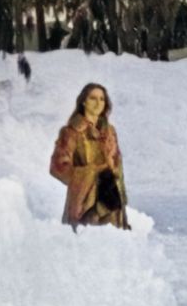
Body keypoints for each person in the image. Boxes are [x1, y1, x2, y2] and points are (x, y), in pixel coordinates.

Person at [49, 82, 130, 230]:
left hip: (111, 200)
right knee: (88, 240)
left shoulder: (110, 132)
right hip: (84, 205)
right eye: (93, 98)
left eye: (102, 99)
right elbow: (58, 167)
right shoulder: (71, 132)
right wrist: (91, 173)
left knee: (112, 240)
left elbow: (118, 168)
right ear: (84, 102)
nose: (98, 103)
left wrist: (122, 207)